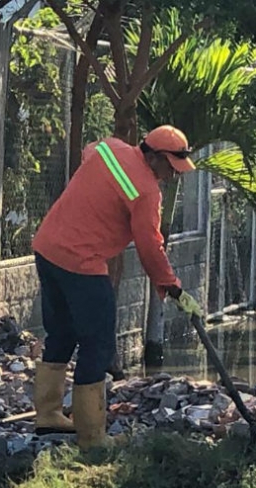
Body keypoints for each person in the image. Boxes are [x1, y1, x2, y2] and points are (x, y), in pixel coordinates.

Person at [31, 125, 204, 450]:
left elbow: (89, 151)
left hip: (47, 249)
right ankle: (92, 436)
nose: (171, 175)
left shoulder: (109, 149)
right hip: (81, 262)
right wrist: (172, 286)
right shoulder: (146, 191)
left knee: (62, 333)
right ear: (152, 157)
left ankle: (48, 415)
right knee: (97, 344)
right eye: (169, 167)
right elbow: (149, 246)